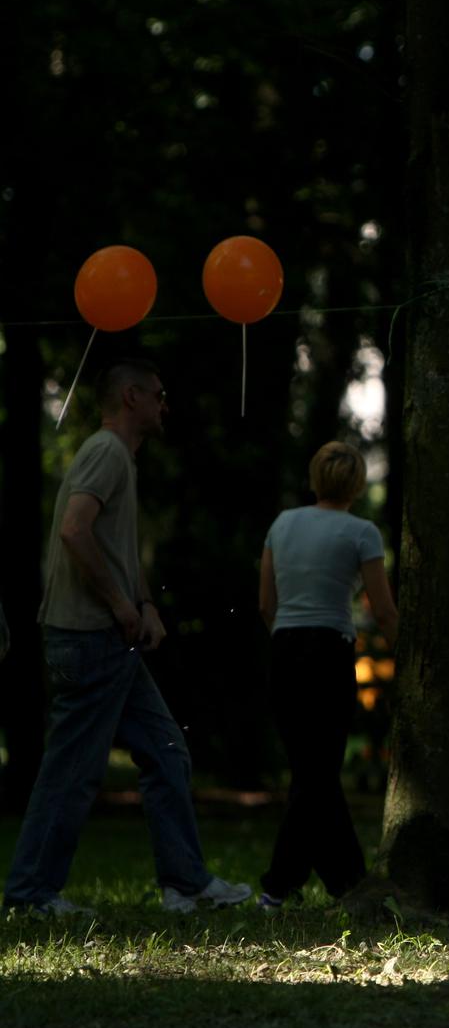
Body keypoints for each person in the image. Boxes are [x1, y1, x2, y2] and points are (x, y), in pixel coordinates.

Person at [4, 359, 252, 916]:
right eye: (160, 395)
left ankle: (185, 883)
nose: (166, 405)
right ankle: (30, 895)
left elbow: (116, 547)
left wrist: (143, 604)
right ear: (132, 397)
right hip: (88, 638)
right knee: (72, 770)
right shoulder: (106, 452)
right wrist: (119, 605)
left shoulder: (122, 460)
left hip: (111, 640)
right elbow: (74, 530)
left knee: (167, 750)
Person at [257, 441, 398, 910]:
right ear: (356, 485)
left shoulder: (282, 524)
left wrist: (284, 634)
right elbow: (380, 608)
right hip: (329, 653)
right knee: (318, 774)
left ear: (315, 477)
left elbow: (265, 603)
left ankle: (346, 883)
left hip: (285, 648)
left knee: (311, 773)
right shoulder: (361, 533)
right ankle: (280, 886)